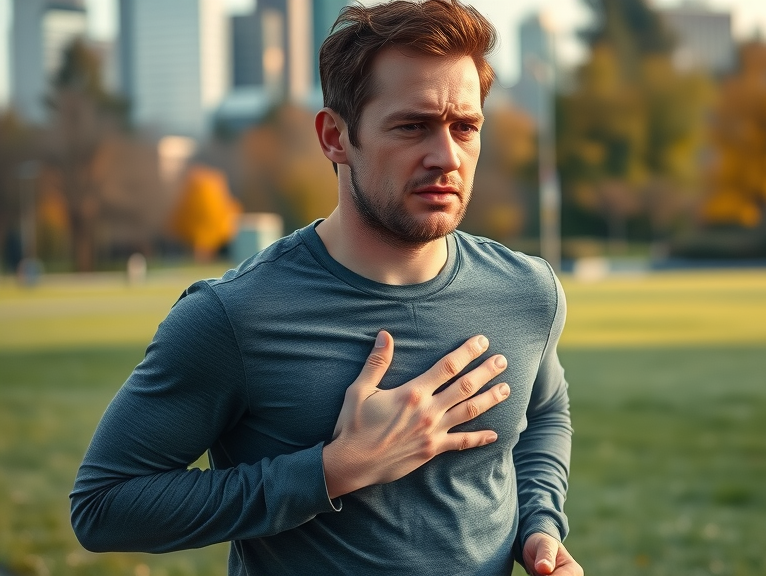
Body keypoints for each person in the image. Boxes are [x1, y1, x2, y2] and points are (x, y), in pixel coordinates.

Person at [70, 1, 582, 575]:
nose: (446, 156)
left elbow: (543, 415)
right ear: (335, 136)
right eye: (412, 126)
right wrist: (332, 470)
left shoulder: (529, 292)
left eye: (464, 127)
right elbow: (103, 507)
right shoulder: (234, 316)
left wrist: (540, 525)